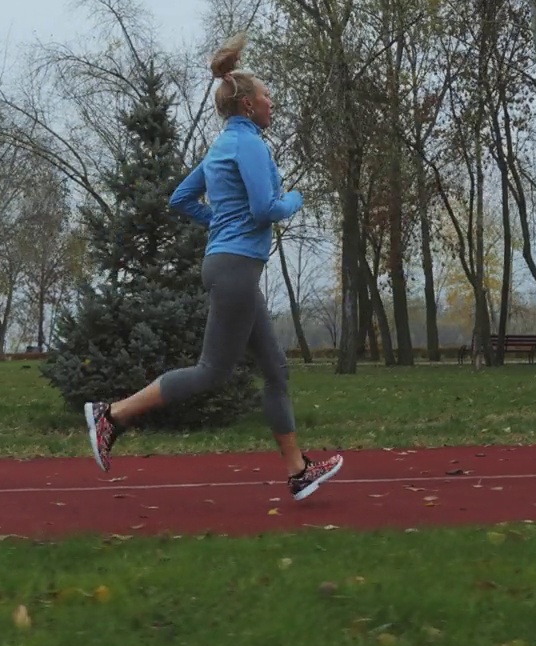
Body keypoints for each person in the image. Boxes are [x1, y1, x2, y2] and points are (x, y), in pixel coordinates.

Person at [82, 32, 346, 502]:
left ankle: (298, 470)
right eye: (266, 95)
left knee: (276, 369)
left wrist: (220, 223)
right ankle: (113, 415)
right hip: (237, 269)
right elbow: (266, 208)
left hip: (229, 265)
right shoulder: (249, 145)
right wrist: (296, 199)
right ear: (247, 104)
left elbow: (181, 198)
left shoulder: (222, 145)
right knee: (211, 372)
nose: (272, 102)